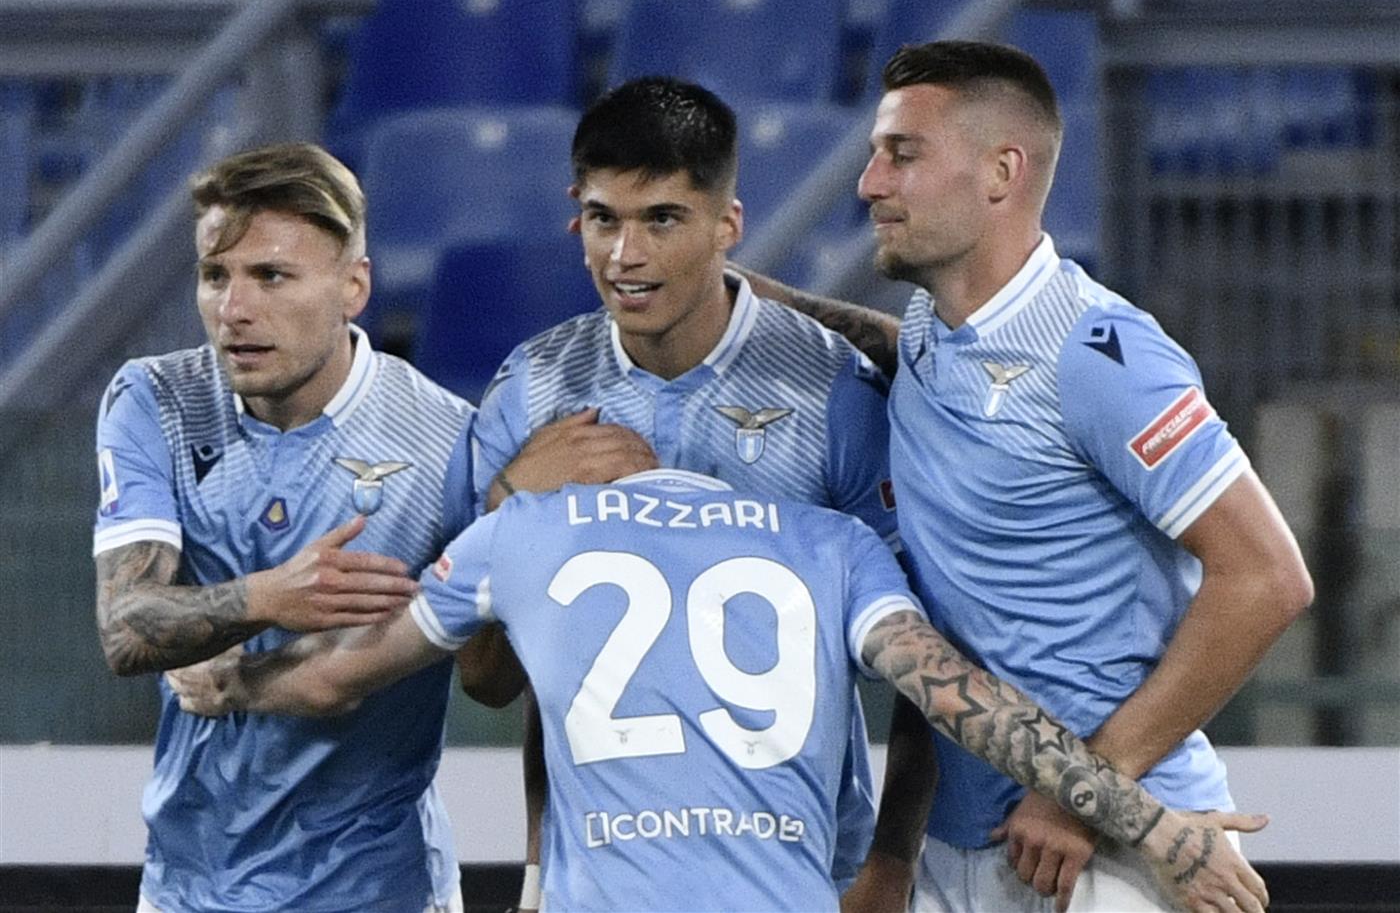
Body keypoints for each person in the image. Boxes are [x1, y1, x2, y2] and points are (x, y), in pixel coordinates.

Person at [747, 41, 1314, 912]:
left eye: (902, 154)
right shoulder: (935, 332)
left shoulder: (1102, 355)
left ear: (1002, 172)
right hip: (964, 839)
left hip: (1111, 841)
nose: (868, 183)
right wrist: (727, 294)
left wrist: (1091, 786)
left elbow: (1268, 578)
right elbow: (915, 360)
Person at [167, 469, 1271, 913]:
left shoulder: (530, 529)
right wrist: (1148, 825)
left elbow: (334, 677)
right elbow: (959, 698)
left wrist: (227, 678)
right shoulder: (832, 542)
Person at [458, 76, 913, 908]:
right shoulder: (531, 393)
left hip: (806, 872)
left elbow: (921, 660)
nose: (626, 257)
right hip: (592, 879)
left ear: (726, 225)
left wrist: (893, 861)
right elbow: (486, 681)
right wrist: (509, 500)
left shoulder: (833, 393)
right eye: (605, 219)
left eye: (661, 219)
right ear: (577, 218)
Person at [92, 143, 475, 913]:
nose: (235, 310)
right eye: (215, 275)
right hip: (189, 887)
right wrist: (271, 596)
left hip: (378, 888)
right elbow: (126, 629)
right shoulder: (155, 400)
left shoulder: (448, 441)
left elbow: (501, 673)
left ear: (353, 287)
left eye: (271, 275)